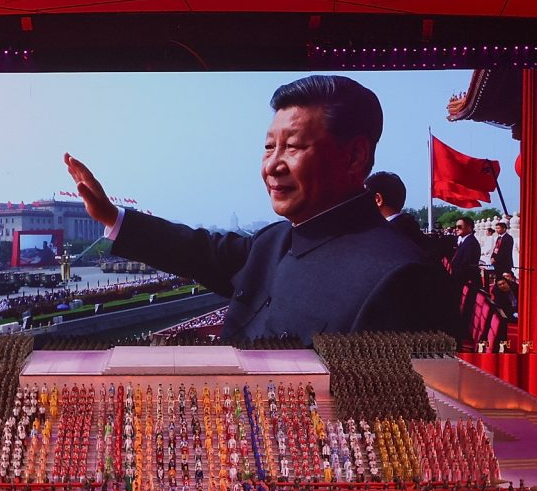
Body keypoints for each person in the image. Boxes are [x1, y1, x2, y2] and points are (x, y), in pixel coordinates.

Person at [64, 75, 457, 344]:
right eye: (270, 147)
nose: (272, 165)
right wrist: (112, 217)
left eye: (294, 146)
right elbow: (200, 251)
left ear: (355, 157)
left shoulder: (401, 278)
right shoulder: (275, 240)